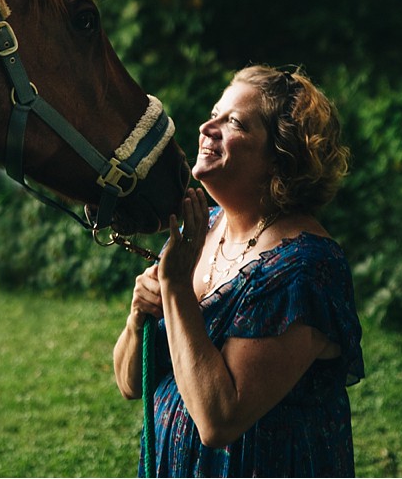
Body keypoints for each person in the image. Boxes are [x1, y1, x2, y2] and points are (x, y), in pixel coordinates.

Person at [113, 65, 364, 477]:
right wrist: (138, 318)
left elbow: (219, 420)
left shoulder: (304, 268)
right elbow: (129, 383)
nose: (206, 127)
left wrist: (175, 288)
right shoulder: (202, 227)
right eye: (214, 113)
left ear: (279, 158)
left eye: (234, 122)